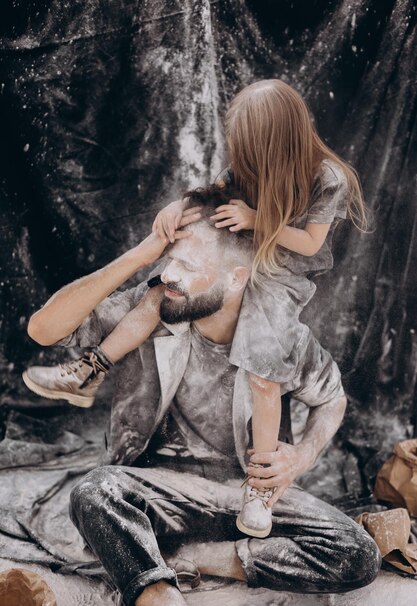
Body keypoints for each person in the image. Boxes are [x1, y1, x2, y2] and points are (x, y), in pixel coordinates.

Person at [23, 79, 367, 539]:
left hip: (281, 271)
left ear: (281, 138)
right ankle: (92, 367)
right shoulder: (241, 174)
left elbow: (309, 242)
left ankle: (259, 487)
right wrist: (176, 207)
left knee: (264, 369)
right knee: (150, 300)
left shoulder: (328, 179)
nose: (173, 273)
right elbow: (209, 193)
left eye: (251, 146)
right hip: (159, 481)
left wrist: (257, 220)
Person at [25, 193, 380, 606]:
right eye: (171, 260)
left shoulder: (282, 338)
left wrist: (302, 454)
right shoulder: (155, 303)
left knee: (356, 552)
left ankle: (196, 558)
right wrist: (144, 253)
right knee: (94, 491)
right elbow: (43, 329)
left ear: (235, 279)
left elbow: (331, 400)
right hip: (154, 492)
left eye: (189, 267)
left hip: (242, 500)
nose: (169, 275)